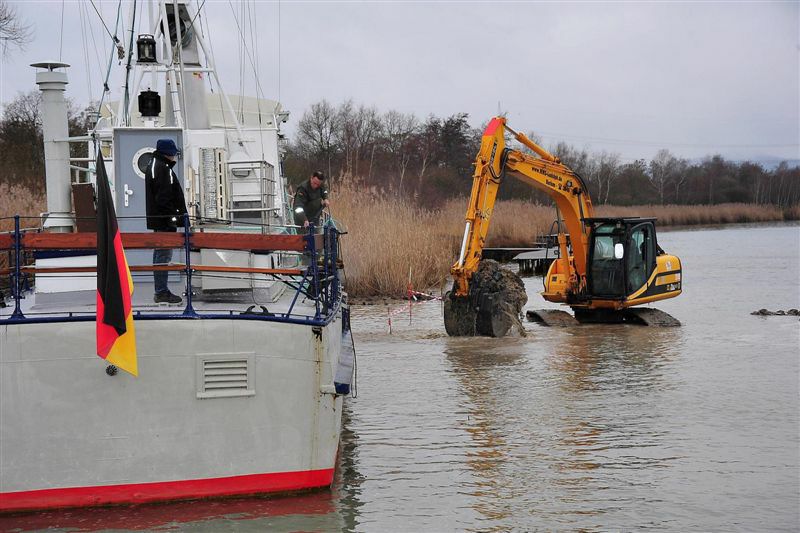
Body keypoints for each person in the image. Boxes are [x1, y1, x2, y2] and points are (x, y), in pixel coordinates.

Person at [145, 139, 187, 304]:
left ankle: (161, 290)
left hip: (160, 221)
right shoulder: (162, 168)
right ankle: (161, 291)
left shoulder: (155, 165)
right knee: (163, 254)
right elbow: (164, 198)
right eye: (174, 153)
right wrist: (173, 219)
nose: (175, 156)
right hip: (164, 222)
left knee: (160, 254)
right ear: (168, 153)